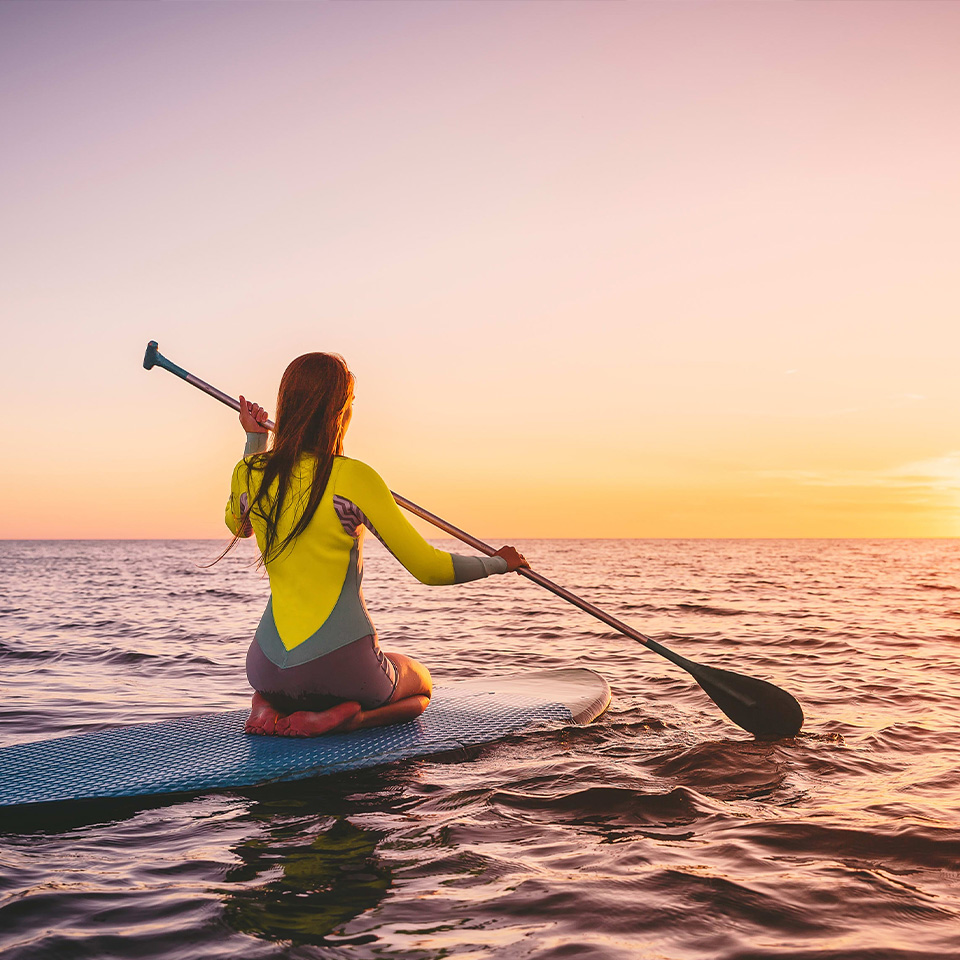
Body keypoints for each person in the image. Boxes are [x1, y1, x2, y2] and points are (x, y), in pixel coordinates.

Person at [223, 352, 529, 737]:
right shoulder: (355, 477)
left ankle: (267, 703)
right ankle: (348, 718)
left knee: (290, 682)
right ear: (339, 412)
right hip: (342, 670)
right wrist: (498, 563)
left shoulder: (250, 471)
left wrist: (255, 442)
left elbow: (239, 526)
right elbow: (429, 568)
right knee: (421, 684)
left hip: (264, 668)